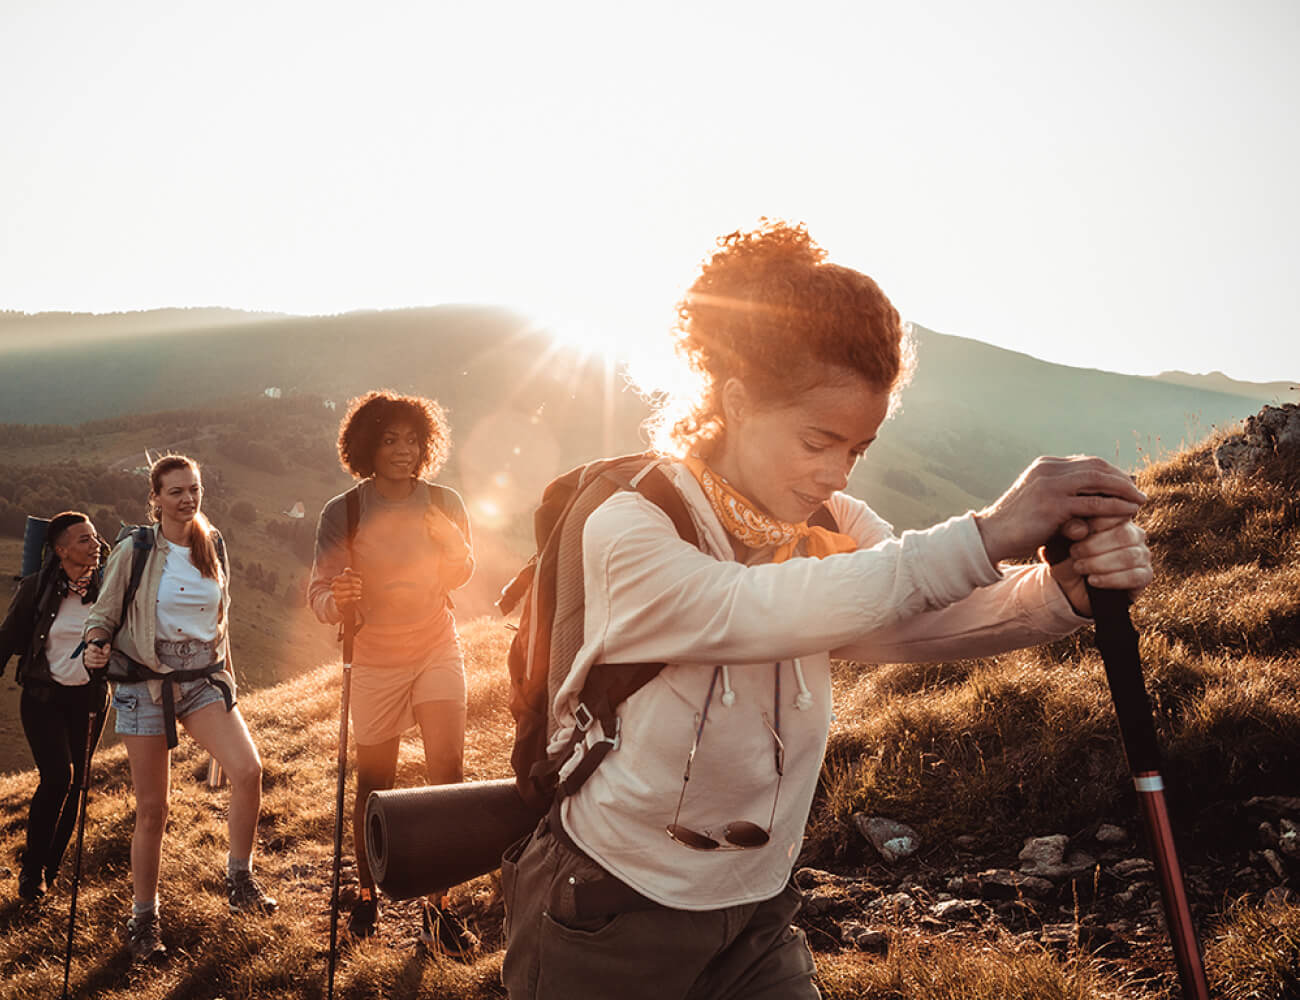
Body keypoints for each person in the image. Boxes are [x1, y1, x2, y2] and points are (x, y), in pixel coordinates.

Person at [499, 220, 1154, 1000]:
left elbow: (911, 614)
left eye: (859, 448)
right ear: (737, 401)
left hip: (758, 906)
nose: (835, 471)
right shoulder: (631, 524)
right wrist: (989, 531)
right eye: (818, 441)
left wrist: (1060, 597)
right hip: (610, 908)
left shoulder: (832, 523)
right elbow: (750, 611)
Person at [82, 454, 276, 963]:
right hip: (146, 683)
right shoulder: (137, 549)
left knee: (249, 771)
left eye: (193, 489)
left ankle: (240, 881)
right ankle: (142, 919)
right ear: (156, 499)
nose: (187, 499)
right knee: (153, 810)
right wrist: (96, 644)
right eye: (176, 492)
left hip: (201, 681)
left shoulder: (213, 545)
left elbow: (221, 620)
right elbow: (102, 614)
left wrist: (228, 681)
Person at [308, 389, 478, 957]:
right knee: (373, 783)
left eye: (413, 440)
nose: (404, 450)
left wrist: (454, 547)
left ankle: (440, 907)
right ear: (366, 446)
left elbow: (460, 572)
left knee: (446, 773)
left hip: (435, 643)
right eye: (390, 440)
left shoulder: (443, 501)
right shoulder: (345, 511)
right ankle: (365, 891)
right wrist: (340, 598)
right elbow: (320, 594)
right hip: (375, 656)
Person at [0, 511, 110, 902]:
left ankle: (50, 869)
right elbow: (5, 638)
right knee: (57, 779)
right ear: (60, 550)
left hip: (90, 699)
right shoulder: (35, 589)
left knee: (78, 784)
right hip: (43, 698)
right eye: (83, 539)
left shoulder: (112, 587)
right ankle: (31, 872)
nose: (94, 544)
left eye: (95, 537)